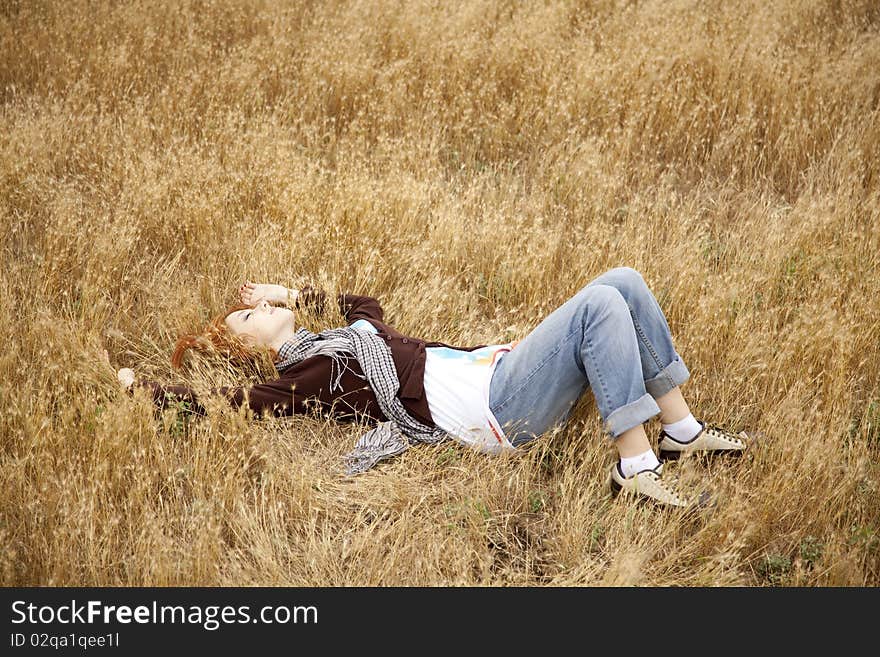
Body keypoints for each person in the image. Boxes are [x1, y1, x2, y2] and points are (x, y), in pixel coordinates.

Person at [117, 267, 746, 507]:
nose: (256, 308)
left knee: (625, 281)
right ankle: (635, 464)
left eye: (253, 305)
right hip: (494, 409)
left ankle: (681, 431)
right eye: (248, 317)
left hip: (498, 370)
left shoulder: (338, 340)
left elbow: (366, 303)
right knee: (601, 308)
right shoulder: (305, 374)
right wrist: (140, 387)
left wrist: (284, 292)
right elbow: (228, 406)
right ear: (252, 348)